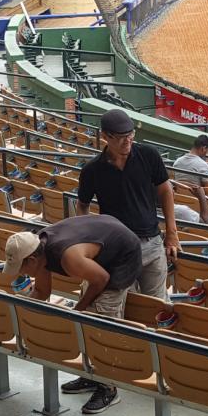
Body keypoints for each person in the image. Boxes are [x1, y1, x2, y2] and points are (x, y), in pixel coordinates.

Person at [3, 213, 142, 415]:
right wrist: (23, 316)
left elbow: (101, 279)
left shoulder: (68, 257)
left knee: (98, 324)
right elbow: (42, 292)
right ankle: (92, 375)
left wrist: (78, 310)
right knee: (84, 319)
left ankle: (108, 388)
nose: (21, 274)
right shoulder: (39, 250)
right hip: (101, 248)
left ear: (31, 260)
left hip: (122, 257)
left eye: (21, 268)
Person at [77, 107, 178, 305]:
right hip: (118, 250)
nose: (128, 141)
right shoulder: (92, 170)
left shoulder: (149, 155)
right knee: (127, 305)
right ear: (105, 136)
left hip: (152, 242)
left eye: (131, 134)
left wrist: (172, 233)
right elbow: (83, 206)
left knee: (157, 305)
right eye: (121, 137)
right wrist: (89, 240)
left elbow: (166, 190)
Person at [171, 132, 208, 219]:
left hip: (178, 203)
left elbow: (174, 183)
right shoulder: (204, 165)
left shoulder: (177, 161)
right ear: (203, 148)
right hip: (199, 209)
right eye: (207, 151)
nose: (206, 154)